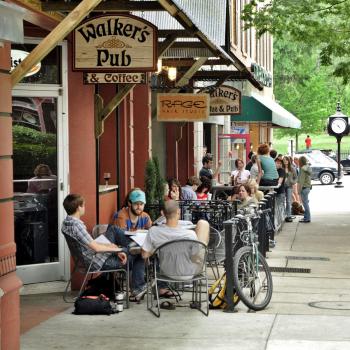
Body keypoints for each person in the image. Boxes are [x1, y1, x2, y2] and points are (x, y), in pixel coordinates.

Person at [142, 200, 209, 283]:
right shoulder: (189, 234)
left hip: (166, 273)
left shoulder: (153, 231)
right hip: (188, 273)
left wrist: (155, 248)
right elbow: (195, 257)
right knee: (203, 224)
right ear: (179, 212)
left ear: (162, 213)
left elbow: (144, 255)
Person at [61, 194, 127, 274]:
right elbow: (97, 248)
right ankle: (139, 286)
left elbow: (89, 243)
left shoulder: (66, 223)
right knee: (132, 254)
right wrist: (118, 250)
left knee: (113, 229)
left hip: (85, 259)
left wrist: (110, 246)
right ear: (79, 208)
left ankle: (129, 247)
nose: (84, 208)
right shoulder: (77, 226)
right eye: (83, 205)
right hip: (96, 262)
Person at [110, 189, 151, 300]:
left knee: (141, 251)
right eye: (136, 204)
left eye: (141, 204)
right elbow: (120, 238)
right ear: (129, 203)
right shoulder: (121, 216)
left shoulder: (145, 217)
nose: (139, 207)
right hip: (121, 253)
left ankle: (139, 289)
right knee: (140, 252)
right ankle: (139, 288)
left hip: (135, 250)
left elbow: (151, 234)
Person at [283, 156, 298, 222]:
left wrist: (292, 182)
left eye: (286, 160)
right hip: (282, 187)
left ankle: (288, 215)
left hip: (289, 186)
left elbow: (296, 178)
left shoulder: (292, 168)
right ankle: (283, 215)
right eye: (284, 160)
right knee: (282, 201)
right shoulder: (281, 168)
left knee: (288, 201)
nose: (285, 161)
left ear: (289, 161)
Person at [298, 156, 312, 223]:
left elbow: (301, 180)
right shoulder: (307, 167)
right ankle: (306, 217)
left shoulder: (302, 169)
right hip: (308, 187)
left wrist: (299, 190)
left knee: (305, 203)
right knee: (306, 203)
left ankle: (307, 218)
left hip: (304, 188)